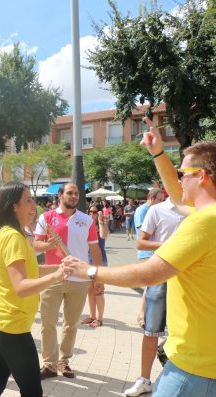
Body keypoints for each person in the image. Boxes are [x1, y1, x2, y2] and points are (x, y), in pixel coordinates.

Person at [63, 117, 216, 397]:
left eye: (184, 174)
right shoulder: (207, 215)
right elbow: (179, 196)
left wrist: (90, 271)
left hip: (195, 367)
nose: (179, 179)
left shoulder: (204, 222)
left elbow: (149, 274)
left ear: (202, 177)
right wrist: (158, 153)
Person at [0, 183, 72, 397]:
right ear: (14, 207)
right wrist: (57, 276)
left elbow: (29, 268)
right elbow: (21, 287)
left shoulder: (8, 233)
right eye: (29, 200)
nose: (34, 205)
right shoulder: (13, 237)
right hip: (12, 327)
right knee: (32, 392)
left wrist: (60, 267)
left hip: (1, 321)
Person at [33, 183, 103, 379]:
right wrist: (48, 245)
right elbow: (36, 245)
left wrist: (98, 277)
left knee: (71, 324)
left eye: (76, 193)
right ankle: (49, 364)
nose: (74, 196)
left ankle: (64, 361)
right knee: (48, 323)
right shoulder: (46, 217)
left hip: (79, 279)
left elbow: (95, 249)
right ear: (60, 195)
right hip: (52, 278)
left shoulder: (86, 220)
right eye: (70, 193)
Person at [123, 197, 184, 396]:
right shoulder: (157, 210)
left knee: (187, 327)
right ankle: (144, 379)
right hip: (162, 273)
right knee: (151, 329)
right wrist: (167, 244)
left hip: (189, 277)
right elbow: (140, 242)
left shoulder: (196, 209)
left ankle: (178, 371)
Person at [132, 188, 165, 327]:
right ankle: (142, 314)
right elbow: (143, 234)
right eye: (159, 200)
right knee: (151, 284)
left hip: (153, 252)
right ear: (151, 198)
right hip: (147, 252)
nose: (161, 203)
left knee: (151, 284)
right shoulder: (142, 210)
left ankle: (143, 314)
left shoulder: (153, 210)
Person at [80, 205, 108, 328]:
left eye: (94, 212)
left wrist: (101, 221)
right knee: (90, 290)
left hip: (100, 262)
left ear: (98, 213)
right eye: (89, 211)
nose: (91, 214)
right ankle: (92, 316)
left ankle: (100, 319)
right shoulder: (86, 225)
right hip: (88, 262)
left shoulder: (101, 225)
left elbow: (103, 235)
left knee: (98, 291)